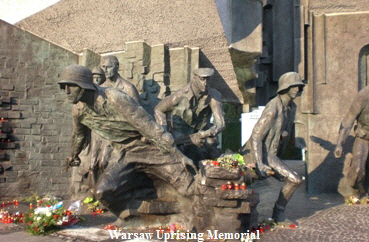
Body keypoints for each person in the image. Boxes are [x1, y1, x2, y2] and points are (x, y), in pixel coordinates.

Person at [58, 65, 198, 219]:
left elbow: (148, 126)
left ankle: (192, 216)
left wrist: (177, 154)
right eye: (63, 87)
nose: (66, 91)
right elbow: (78, 135)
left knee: (188, 188)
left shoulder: (114, 98)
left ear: (83, 86)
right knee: (102, 192)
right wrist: (73, 155)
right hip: (126, 154)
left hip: (151, 148)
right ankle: (134, 218)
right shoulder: (78, 111)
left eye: (70, 86)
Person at [239, 72, 304, 223]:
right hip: (262, 154)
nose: (297, 89)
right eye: (293, 86)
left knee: (293, 180)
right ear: (285, 88)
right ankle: (278, 213)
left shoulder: (290, 107)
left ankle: (275, 214)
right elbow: (256, 136)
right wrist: (260, 163)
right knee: (295, 180)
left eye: (299, 86)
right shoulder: (273, 109)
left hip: (272, 154)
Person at [154, 68, 225, 163]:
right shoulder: (180, 95)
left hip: (202, 133)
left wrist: (211, 132)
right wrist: (164, 132)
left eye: (208, 79)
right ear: (194, 78)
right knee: (179, 152)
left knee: (211, 144)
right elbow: (159, 109)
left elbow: (221, 124)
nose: (205, 83)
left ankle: (215, 173)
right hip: (180, 135)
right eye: (202, 79)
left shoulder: (214, 95)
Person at [334, 85, 369, 196]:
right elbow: (348, 120)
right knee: (357, 171)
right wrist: (339, 144)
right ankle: (358, 191)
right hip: (364, 138)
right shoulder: (363, 95)